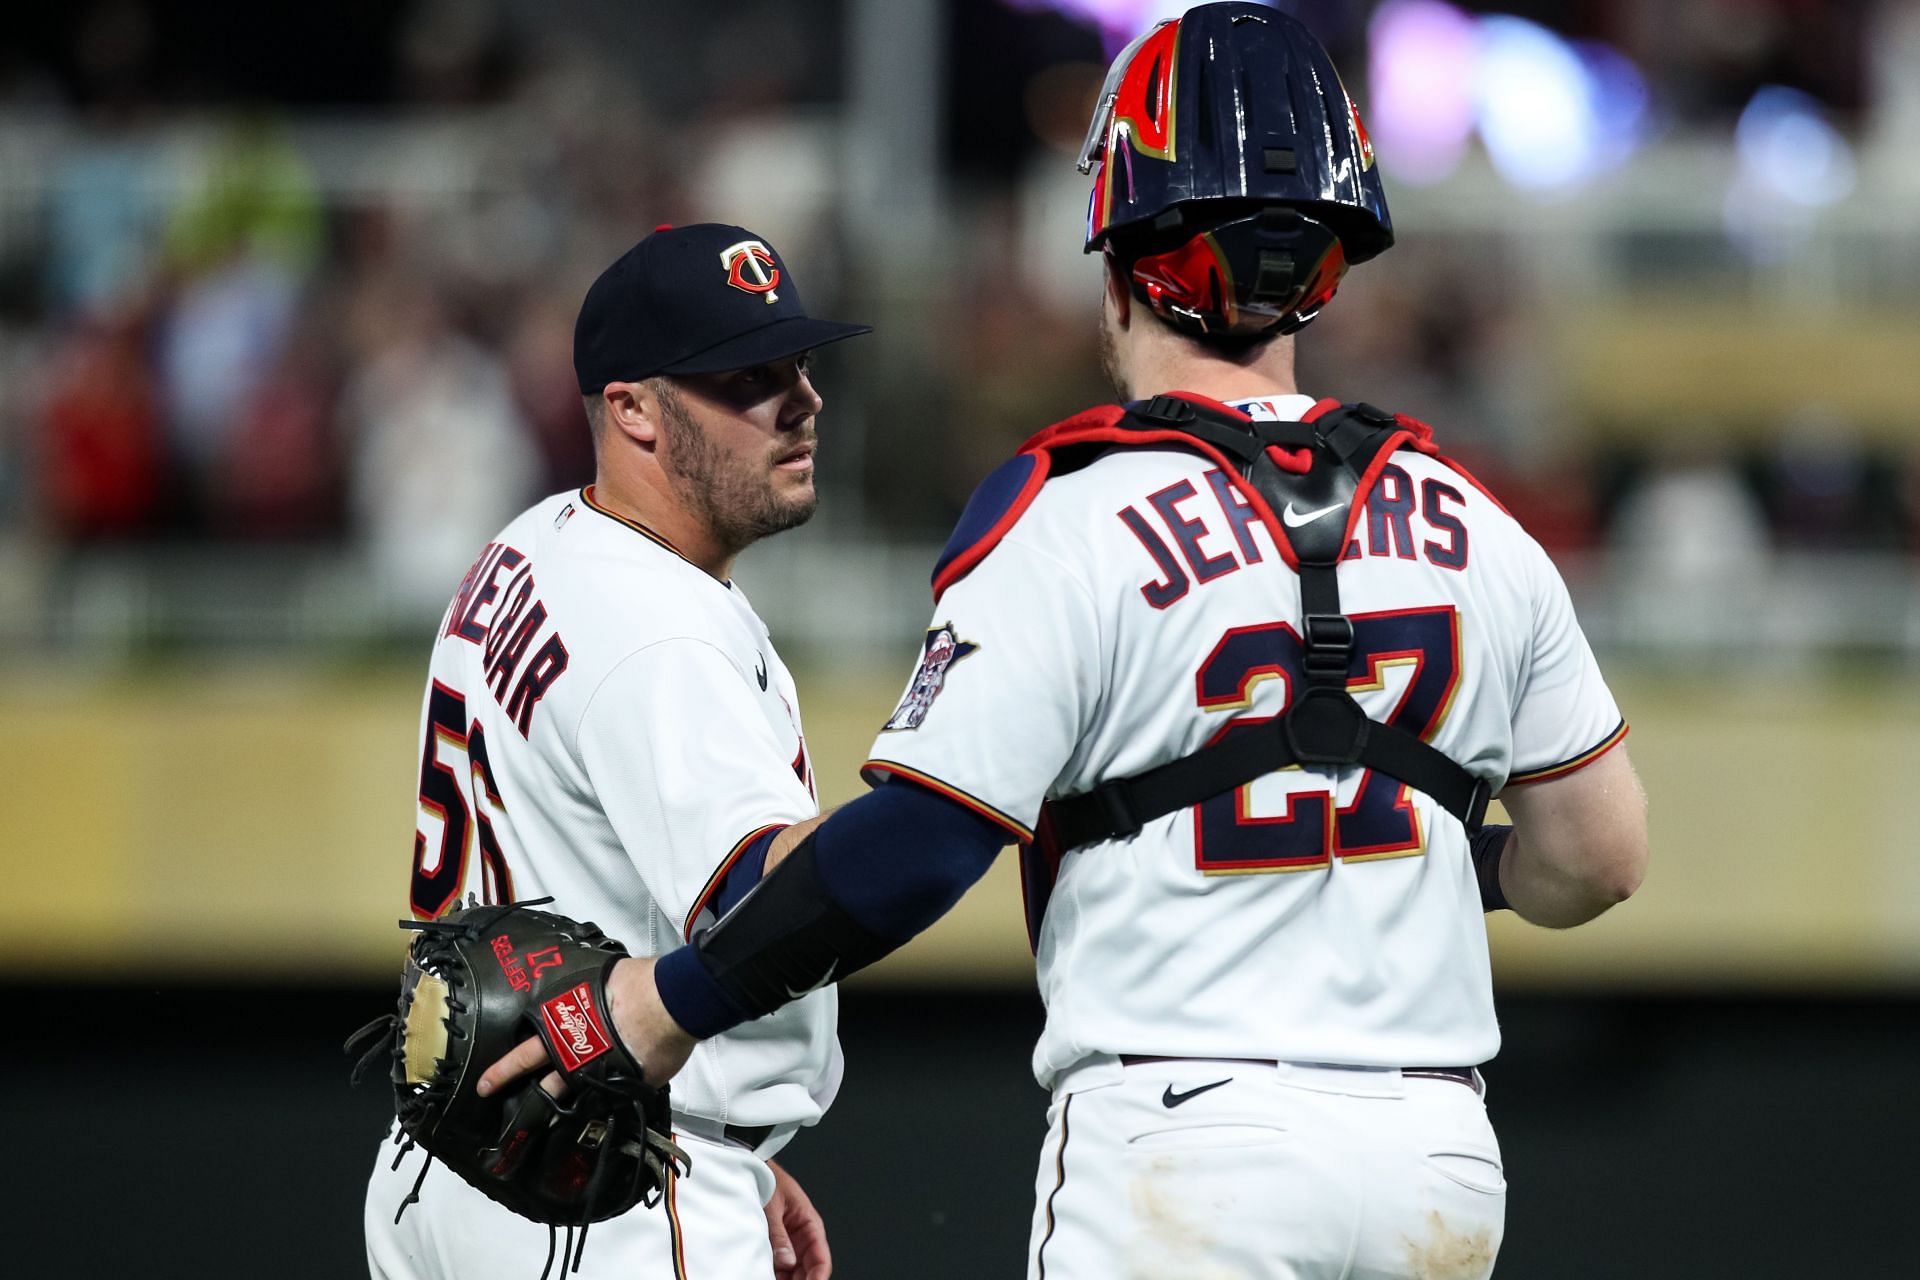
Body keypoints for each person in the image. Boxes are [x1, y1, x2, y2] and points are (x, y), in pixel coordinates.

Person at [482, 8, 1650, 1278]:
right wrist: (1409, 845)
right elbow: (1598, 858)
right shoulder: (1474, 516)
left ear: (1114, 253)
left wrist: (669, 1001)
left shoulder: (1070, 509)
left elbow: (920, 847)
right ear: (1334, 252)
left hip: (1185, 1150)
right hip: (1441, 1157)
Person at [366, 222, 868, 1280]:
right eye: (746, 376)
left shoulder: (534, 539)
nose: (801, 399)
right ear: (631, 407)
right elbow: (775, 905)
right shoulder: (661, 629)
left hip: (451, 1155)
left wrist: (746, 1153)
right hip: (610, 1181)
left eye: (800, 364)